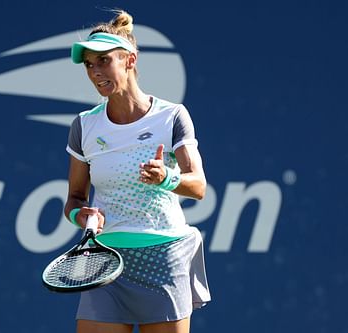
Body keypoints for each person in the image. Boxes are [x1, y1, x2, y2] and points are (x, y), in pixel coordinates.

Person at [64, 9, 211, 333]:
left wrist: (167, 178)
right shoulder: (84, 125)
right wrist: (82, 217)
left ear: (130, 60)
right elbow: (74, 198)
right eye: (89, 64)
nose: (95, 71)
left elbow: (198, 186)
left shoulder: (172, 116)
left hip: (163, 257)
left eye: (104, 61)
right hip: (106, 261)